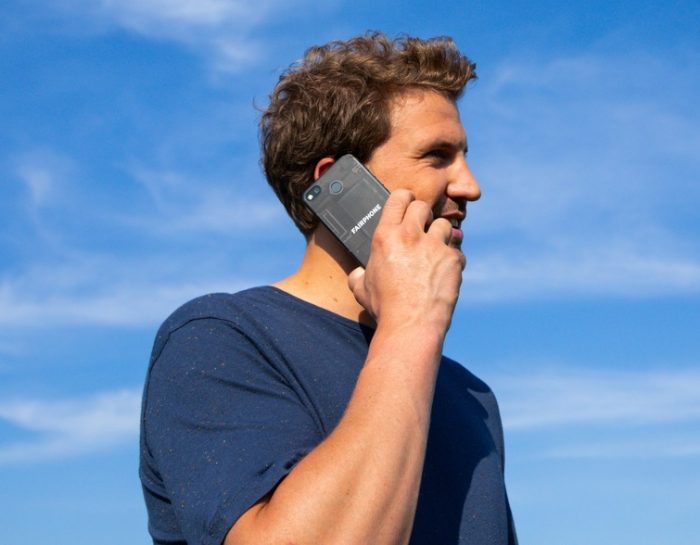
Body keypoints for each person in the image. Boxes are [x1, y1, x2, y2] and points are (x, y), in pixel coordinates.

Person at [139, 32, 517, 545]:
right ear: (339, 183)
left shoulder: (473, 397)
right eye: (436, 156)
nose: (470, 186)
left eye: (464, 156)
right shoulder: (217, 341)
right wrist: (411, 322)